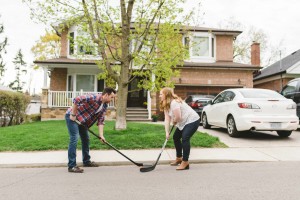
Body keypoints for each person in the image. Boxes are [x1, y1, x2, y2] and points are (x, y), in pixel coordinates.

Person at [65, 87, 116, 173]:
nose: (112, 99)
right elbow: (76, 99)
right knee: (74, 138)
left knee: (86, 139)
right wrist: (73, 114)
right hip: (73, 118)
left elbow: (101, 120)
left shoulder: (104, 106)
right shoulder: (94, 97)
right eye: (112, 97)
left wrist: (101, 135)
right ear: (106, 95)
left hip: (82, 121)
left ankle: (86, 161)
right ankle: (72, 166)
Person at [159, 87, 200, 170]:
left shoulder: (174, 103)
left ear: (166, 94)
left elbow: (178, 117)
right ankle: (179, 158)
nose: (159, 96)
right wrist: (167, 132)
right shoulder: (165, 104)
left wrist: (174, 121)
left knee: (185, 138)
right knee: (176, 137)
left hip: (192, 120)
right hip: (183, 121)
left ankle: (185, 162)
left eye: (161, 94)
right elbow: (167, 119)